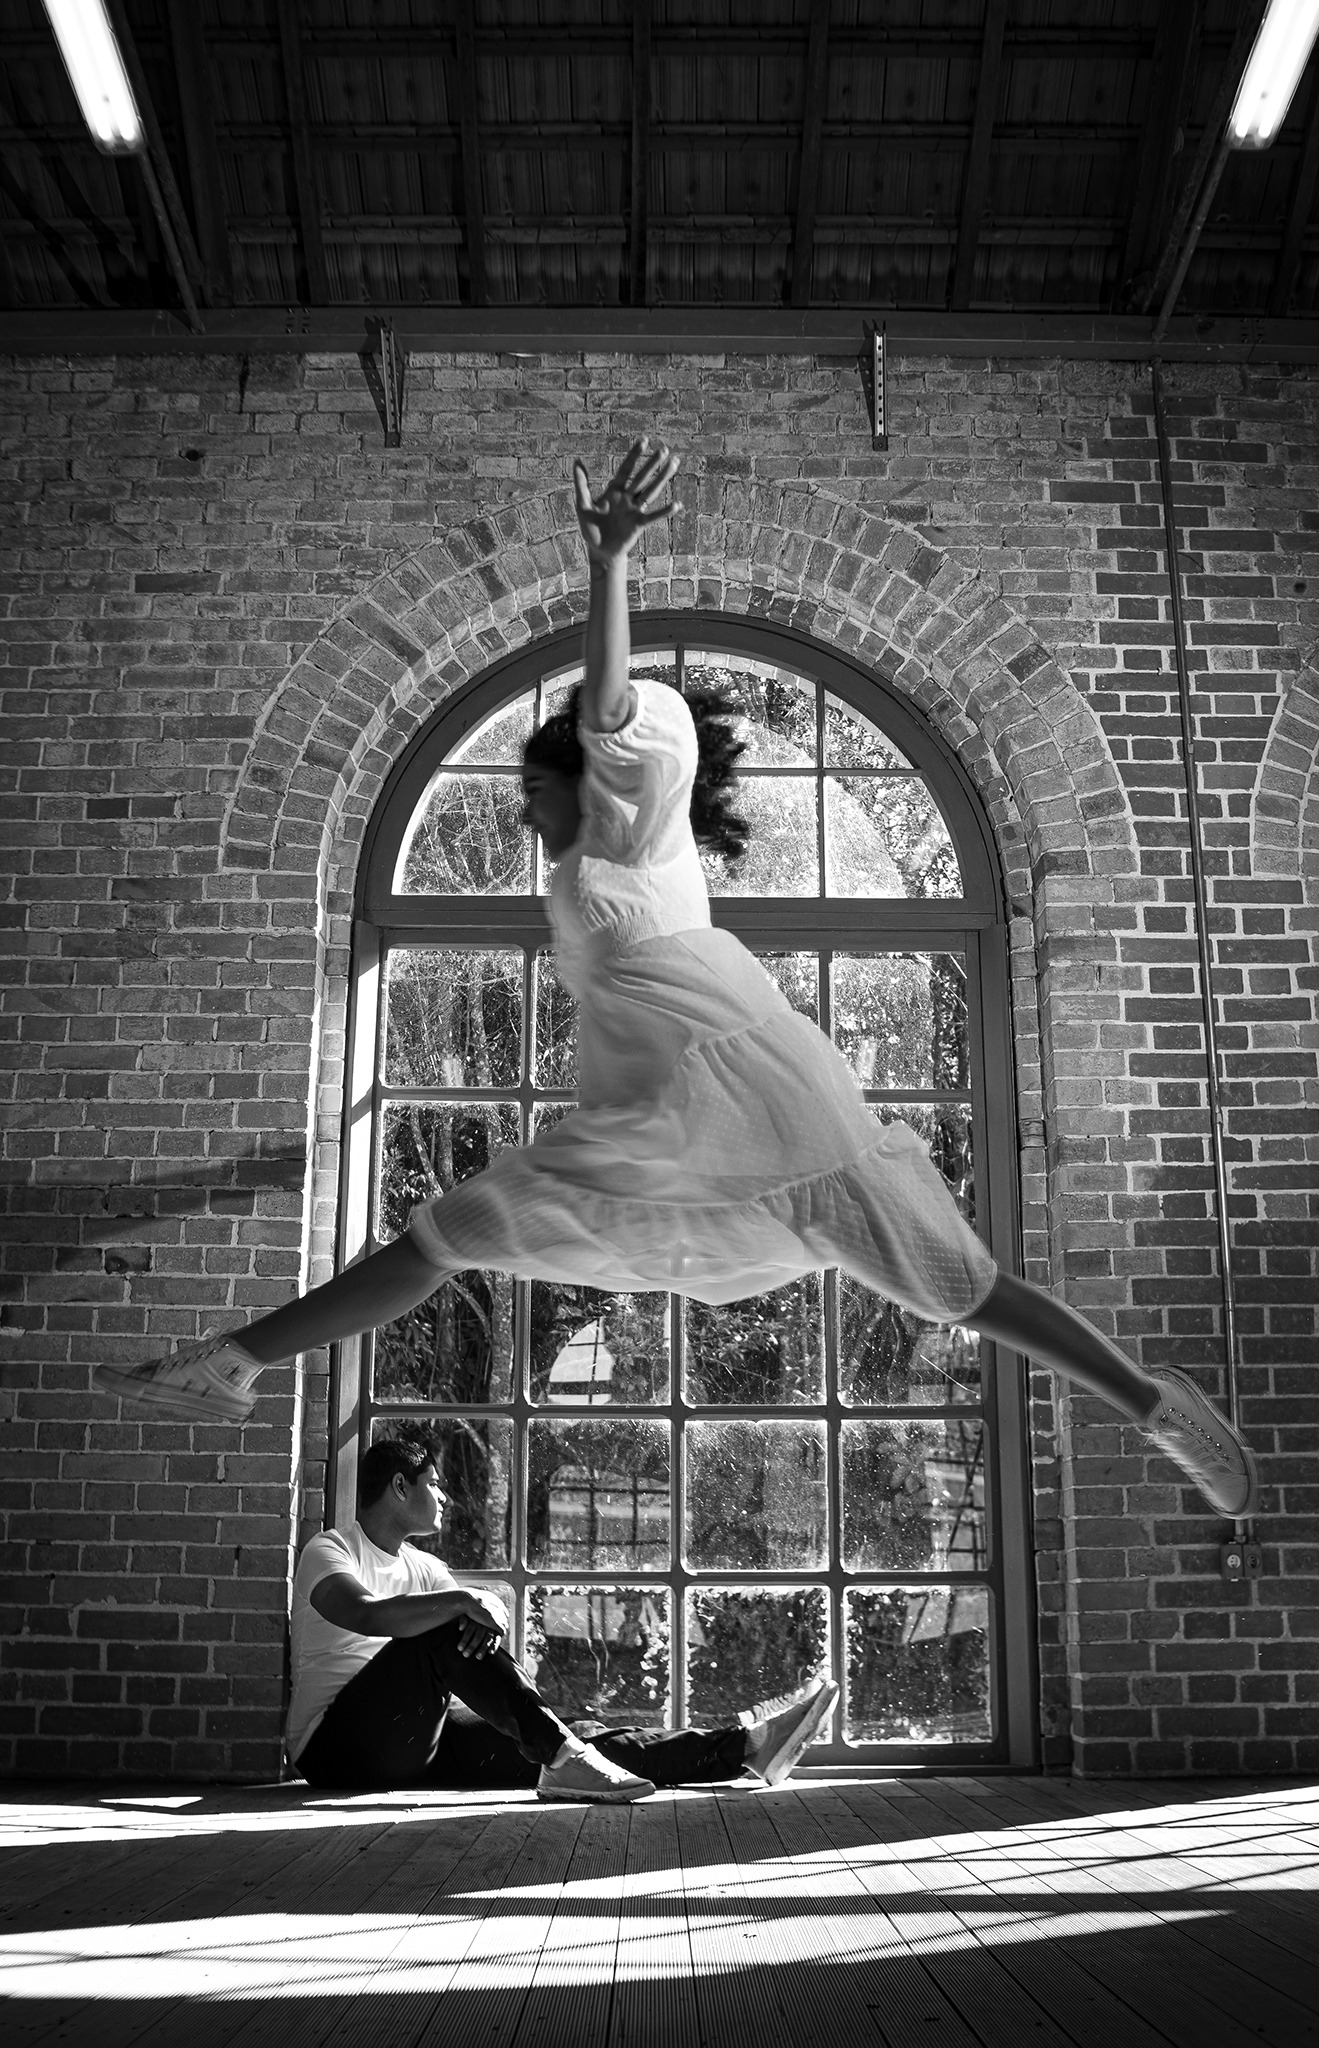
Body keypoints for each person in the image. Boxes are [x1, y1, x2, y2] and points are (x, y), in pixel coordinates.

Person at [94, 439, 1258, 1520]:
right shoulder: (600, 872)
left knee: (960, 1286)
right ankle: (230, 1363)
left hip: (761, 1096)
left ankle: (1156, 1403)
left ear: (596, 781)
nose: (522, 804)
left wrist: (608, 562)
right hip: (656, 1127)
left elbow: (606, 712)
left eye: (536, 785)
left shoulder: (633, 835)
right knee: (445, 1234)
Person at [289, 1433, 837, 1801]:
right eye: (434, 1483)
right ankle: (560, 1751)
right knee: (448, 1633)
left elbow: (481, 1620)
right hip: (336, 1749)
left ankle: (743, 1748)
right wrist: (462, 1605)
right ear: (400, 1487)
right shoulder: (331, 1549)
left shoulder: (425, 1566)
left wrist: (489, 1607)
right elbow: (363, 1613)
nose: (446, 1496)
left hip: (415, 1743)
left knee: (576, 1739)